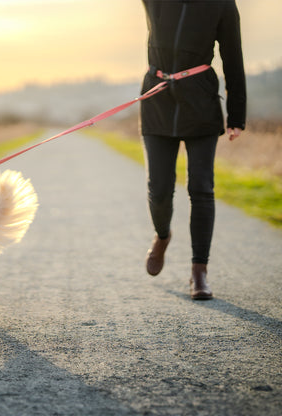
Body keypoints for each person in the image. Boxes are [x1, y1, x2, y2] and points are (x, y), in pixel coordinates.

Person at [140, 0, 246, 299]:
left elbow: (233, 58)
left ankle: (199, 271)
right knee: (159, 189)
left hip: (201, 104)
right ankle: (162, 235)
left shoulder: (222, 4)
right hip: (157, 100)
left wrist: (237, 116)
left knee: (201, 187)